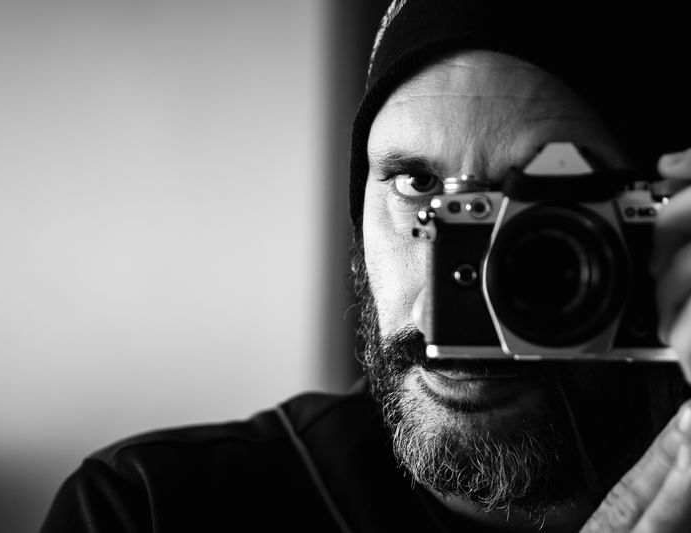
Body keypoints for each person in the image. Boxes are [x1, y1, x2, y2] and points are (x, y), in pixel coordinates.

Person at [41, 1, 691, 531]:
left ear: (661, 224)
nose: (445, 304)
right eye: (415, 183)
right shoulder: (150, 509)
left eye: (544, 215)